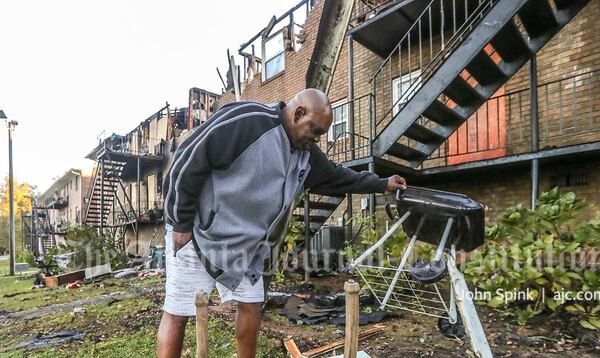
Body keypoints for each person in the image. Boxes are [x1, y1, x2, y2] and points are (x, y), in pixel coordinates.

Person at [157, 88, 407, 358]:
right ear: (298, 113)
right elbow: (187, 160)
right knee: (179, 311)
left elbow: (337, 176)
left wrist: (382, 184)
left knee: (252, 304)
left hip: (248, 245)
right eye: (316, 130)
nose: (317, 139)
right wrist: (181, 223)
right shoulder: (247, 121)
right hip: (199, 232)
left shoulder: (305, 152)